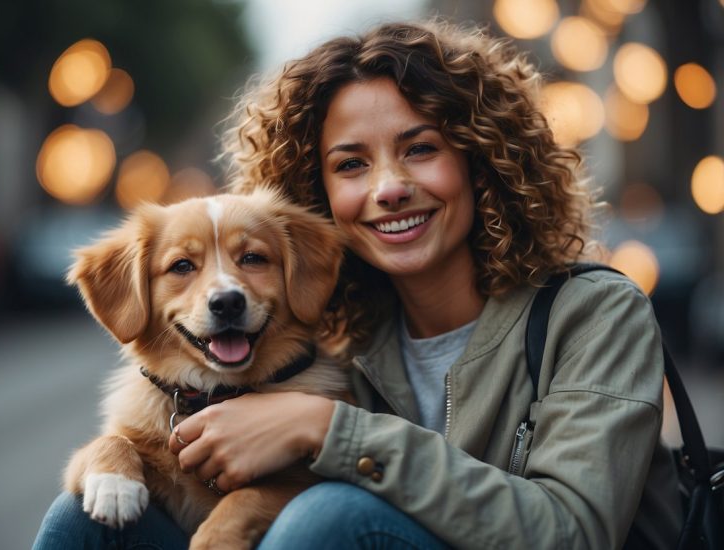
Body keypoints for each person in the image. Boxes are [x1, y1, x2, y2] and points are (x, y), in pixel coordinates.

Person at [34, 20, 683, 549]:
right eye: (351, 164)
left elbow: (573, 533)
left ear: (481, 158)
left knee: (330, 518)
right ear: (321, 192)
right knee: (79, 523)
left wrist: (327, 427)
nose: (388, 187)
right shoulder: (336, 331)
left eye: (421, 148)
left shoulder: (595, 312)